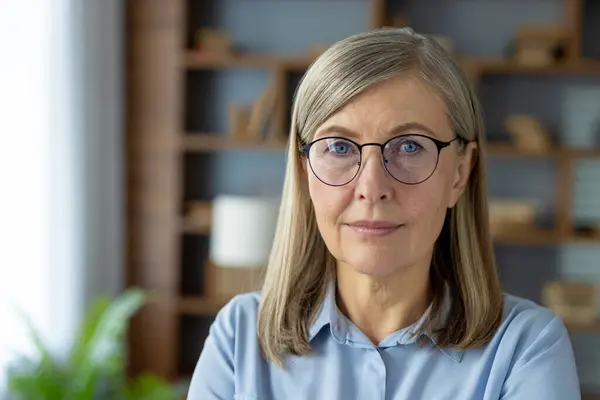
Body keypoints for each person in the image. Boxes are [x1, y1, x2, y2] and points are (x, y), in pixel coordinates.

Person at [186, 27, 580, 400]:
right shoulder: (239, 337)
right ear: (305, 169)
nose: (372, 187)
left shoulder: (526, 347)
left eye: (409, 147)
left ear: (460, 172)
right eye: (339, 147)